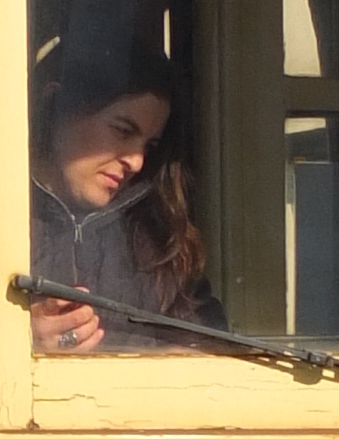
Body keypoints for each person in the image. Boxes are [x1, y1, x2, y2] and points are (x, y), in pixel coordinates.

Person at [24, 35, 221, 353]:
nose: (137, 161)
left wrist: (187, 354)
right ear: (55, 107)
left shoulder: (159, 237)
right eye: (123, 130)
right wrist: (15, 340)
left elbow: (215, 344)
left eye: (149, 145)